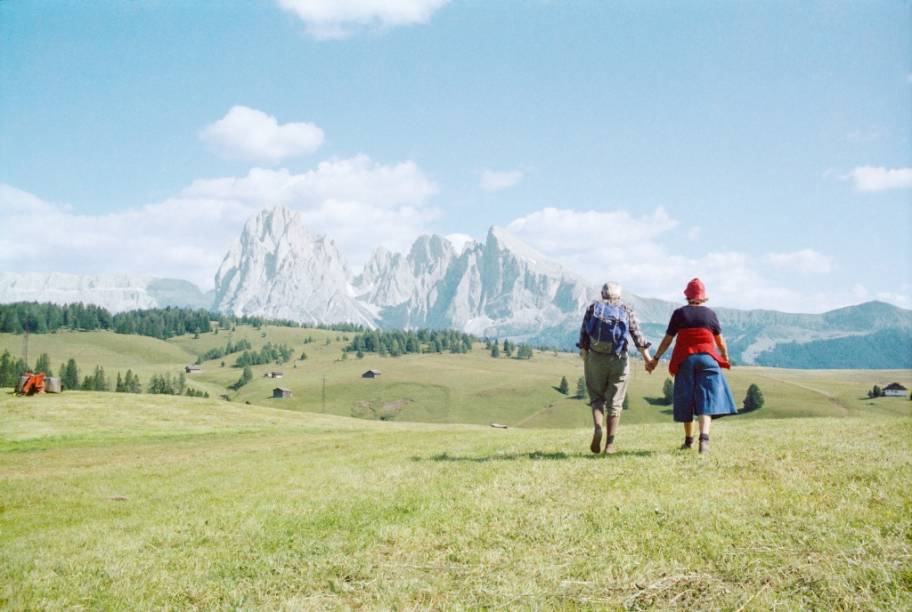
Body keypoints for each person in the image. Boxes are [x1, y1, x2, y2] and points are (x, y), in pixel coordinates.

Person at [646, 278, 737, 453]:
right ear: (703, 297)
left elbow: (667, 340)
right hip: (708, 359)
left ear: (687, 296)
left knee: (687, 399)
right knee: (706, 400)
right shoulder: (710, 315)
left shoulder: (679, 314)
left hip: (686, 359)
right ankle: (704, 440)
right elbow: (720, 342)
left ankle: (688, 441)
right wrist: (725, 357)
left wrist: (656, 358)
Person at [578, 282, 653, 455]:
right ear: (619, 296)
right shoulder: (626, 309)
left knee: (596, 397)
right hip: (619, 359)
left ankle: (598, 428)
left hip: (596, 358)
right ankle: (610, 445)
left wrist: (585, 354)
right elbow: (637, 336)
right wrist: (648, 359)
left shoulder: (592, 308)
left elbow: (583, 335)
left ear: (602, 294)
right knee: (615, 403)